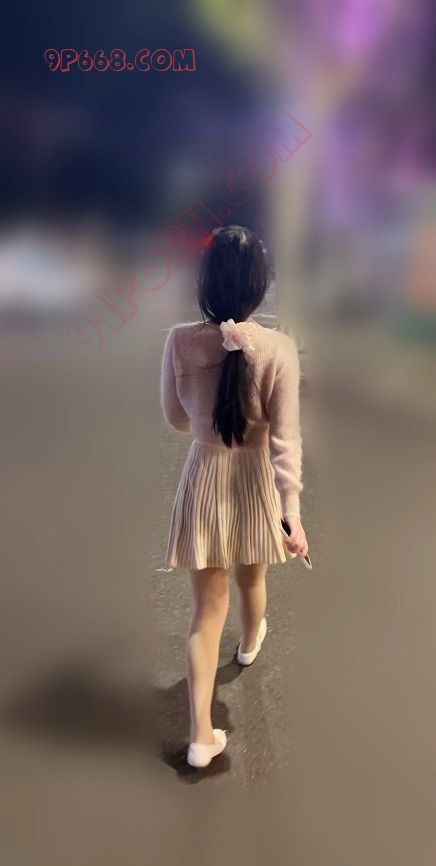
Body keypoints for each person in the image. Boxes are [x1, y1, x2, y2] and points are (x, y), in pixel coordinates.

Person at [161, 225, 308, 768]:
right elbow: (286, 442)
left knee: (205, 612)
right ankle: (248, 645)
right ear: (259, 286)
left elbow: (175, 417)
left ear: (204, 283)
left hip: (204, 477)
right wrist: (291, 513)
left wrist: (206, 422)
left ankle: (200, 738)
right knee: (252, 578)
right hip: (255, 481)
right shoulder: (280, 349)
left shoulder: (179, 341)